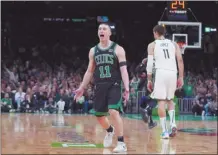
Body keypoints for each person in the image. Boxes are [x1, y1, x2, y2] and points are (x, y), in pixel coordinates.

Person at [74, 23, 129, 153]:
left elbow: (124, 70)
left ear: (110, 33)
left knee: (113, 111)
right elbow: (89, 71)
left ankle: (121, 143)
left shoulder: (118, 49)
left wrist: (126, 87)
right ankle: (109, 130)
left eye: (104, 29)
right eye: (99, 28)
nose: (101, 30)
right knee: (99, 116)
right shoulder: (93, 51)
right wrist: (82, 87)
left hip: (114, 84)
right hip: (100, 85)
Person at [146, 25, 184, 139]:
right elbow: (180, 60)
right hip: (173, 72)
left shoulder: (152, 45)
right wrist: (181, 77)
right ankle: (173, 124)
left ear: (155, 33)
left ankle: (164, 131)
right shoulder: (174, 44)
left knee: (161, 102)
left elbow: (149, 64)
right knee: (170, 100)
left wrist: (149, 79)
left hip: (160, 72)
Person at [136, 58, 157, 129]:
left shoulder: (149, 65)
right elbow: (138, 71)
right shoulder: (154, 65)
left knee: (148, 102)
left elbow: (137, 70)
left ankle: (150, 122)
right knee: (153, 103)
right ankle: (145, 110)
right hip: (155, 87)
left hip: (149, 87)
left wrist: (142, 63)